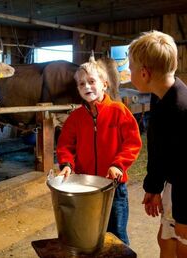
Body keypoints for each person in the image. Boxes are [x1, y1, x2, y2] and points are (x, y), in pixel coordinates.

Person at [56, 56, 142, 245]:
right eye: (81, 84)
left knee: (117, 234)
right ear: (78, 89)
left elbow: (132, 142)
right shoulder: (76, 118)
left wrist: (119, 165)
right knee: (90, 233)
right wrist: (67, 164)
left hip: (114, 187)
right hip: (86, 187)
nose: (87, 87)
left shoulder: (119, 111)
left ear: (104, 84)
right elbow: (64, 145)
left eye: (92, 82)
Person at [128, 30, 187, 257]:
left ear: (144, 73)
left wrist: (182, 217)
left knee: (182, 246)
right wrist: (153, 187)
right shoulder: (160, 95)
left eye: (130, 68)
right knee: (166, 243)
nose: (129, 72)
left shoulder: (182, 109)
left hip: (185, 188)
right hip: (174, 184)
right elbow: (158, 146)